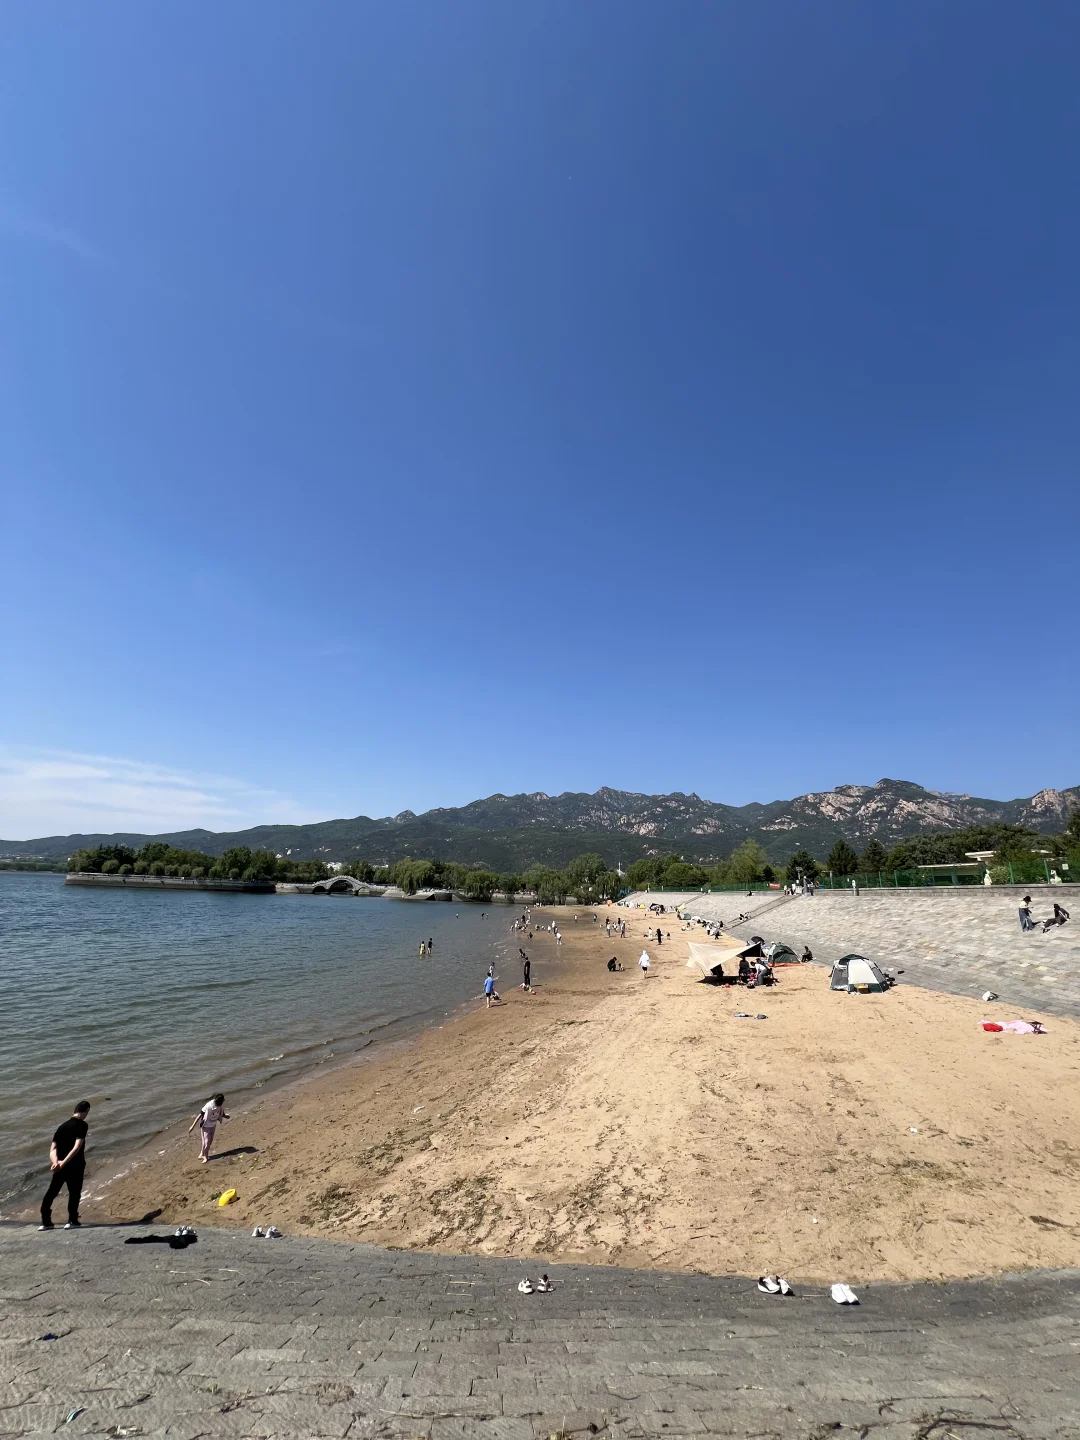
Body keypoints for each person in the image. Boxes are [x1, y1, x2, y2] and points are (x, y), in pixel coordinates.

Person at [40, 1101, 90, 1230]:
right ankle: (72, 1221)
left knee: (52, 1192)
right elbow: (76, 1147)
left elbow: (52, 1149)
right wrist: (64, 1162)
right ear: (86, 1111)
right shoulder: (82, 1125)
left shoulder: (62, 1127)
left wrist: (56, 1162)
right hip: (75, 1165)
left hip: (59, 1167)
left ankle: (45, 1222)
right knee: (74, 1192)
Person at [189, 1092, 229, 1163]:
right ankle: (205, 1157)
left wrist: (225, 1116)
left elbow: (221, 1112)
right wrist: (192, 1126)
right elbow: (200, 1115)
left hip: (213, 1125)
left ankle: (202, 1153)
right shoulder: (209, 1106)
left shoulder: (220, 1105)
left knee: (209, 1141)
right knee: (207, 1142)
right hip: (205, 1125)